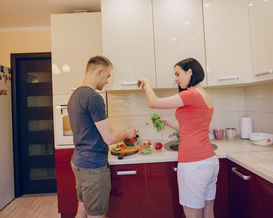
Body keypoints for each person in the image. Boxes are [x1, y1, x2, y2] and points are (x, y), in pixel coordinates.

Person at [137, 58, 219, 218]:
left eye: (177, 73)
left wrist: (146, 82)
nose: (175, 78)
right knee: (209, 213)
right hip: (210, 162)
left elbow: (153, 102)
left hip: (194, 165)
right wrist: (169, 123)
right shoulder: (204, 95)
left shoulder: (191, 94)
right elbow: (192, 129)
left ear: (190, 72)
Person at [68, 55, 137, 218]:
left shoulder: (75, 95)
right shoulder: (93, 97)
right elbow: (110, 138)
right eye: (107, 77)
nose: (107, 81)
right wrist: (127, 132)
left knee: (82, 211)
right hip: (92, 167)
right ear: (99, 72)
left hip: (79, 162)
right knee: (97, 215)